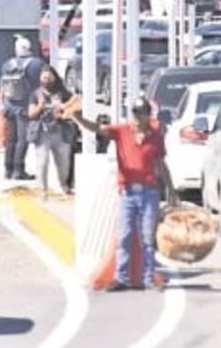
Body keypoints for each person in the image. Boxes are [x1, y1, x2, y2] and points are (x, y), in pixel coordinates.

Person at [70, 97, 177, 292]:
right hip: (128, 192)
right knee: (125, 236)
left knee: (147, 237)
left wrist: (171, 189)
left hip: (149, 191)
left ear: (148, 115)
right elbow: (98, 128)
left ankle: (148, 277)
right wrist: (78, 118)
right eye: (135, 113)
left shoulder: (155, 137)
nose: (138, 117)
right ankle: (122, 277)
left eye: (142, 113)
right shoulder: (122, 131)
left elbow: (161, 164)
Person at [27, 66, 75, 199]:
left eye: (49, 77)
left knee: (63, 163)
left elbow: (75, 103)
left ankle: (64, 185)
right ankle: (42, 189)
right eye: (44, 78)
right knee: (42, 161)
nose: (46, 81)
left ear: (55, 78)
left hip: (60, 132)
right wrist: (40, 106)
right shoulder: (36, 94)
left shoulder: (62, 93)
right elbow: (31, 114)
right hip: (43, 132)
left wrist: (64, 111)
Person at [0, 36, 43, 180]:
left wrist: (2, 105)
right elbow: (41, 86)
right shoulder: (36, 64)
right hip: (25, 107)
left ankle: (7, 169)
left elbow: (1, 87)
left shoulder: (7, 64)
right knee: (22, 140)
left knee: (11, 139)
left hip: (9, 106)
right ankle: (19, 170)